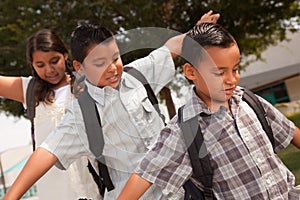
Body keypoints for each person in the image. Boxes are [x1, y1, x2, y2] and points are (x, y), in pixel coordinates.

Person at [3, 11, 220, 200]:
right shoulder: (82, 113)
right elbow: (46, 152)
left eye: (115, 58)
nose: (112, 68)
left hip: (178, 192)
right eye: (99, 63)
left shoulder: (137, 75)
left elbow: (169, 49)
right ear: (79, 67)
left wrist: (196, 30)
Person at [117, 23, 300, 199]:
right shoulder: (184, 130)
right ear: (190, 72)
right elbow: (145, 174)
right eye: (219, 73)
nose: (231, 79)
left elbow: (291, 132)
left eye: (235, 69)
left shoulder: (249, 101)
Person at [0, 29, 100, 199]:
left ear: (65, 55)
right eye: (40, 65)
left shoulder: (86, 84)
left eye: (54, 61)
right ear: (32, 64)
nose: (49, 70)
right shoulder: (29, 90)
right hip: (51, 187)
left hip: (90, 182)